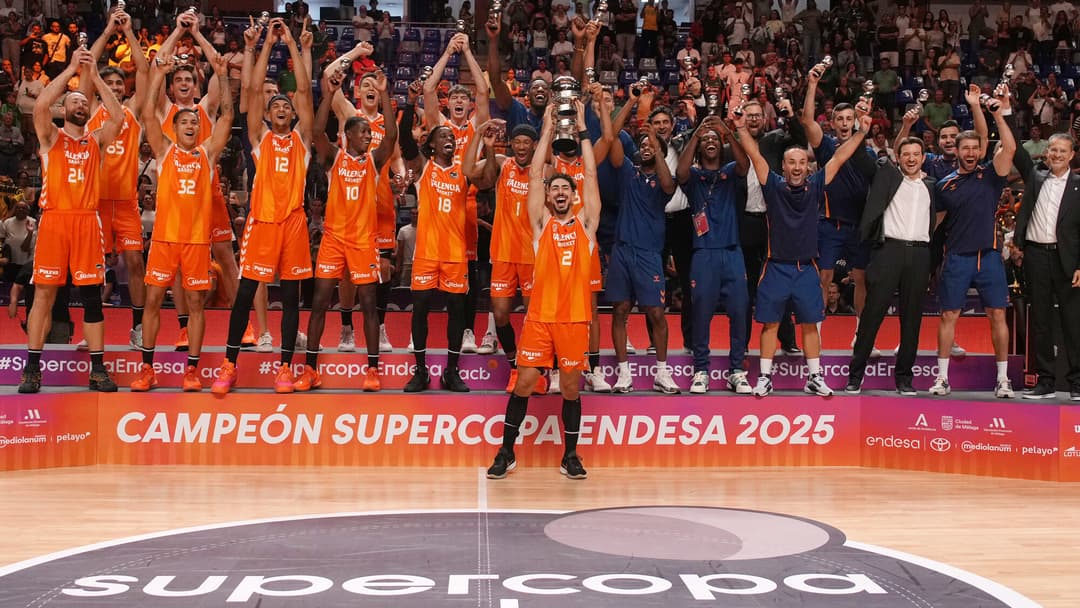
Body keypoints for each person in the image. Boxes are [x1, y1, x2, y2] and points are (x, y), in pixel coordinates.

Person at [486, 100, 598, 480]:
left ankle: (570, 456)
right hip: (539, 319)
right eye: (556, 190)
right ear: (550, 198)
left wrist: (582, 129)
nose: (561, 192)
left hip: (573, 320)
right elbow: (535, 175)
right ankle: (506, 452)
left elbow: (592, 176)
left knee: (569, 387)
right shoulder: (541, 226)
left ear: (574, 194)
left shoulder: (585, 227)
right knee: (526, 381)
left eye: (567, 187)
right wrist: (548, 127)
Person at [735, 102, 872, 398]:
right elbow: (755, 155)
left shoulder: (816, 184)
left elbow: (838, 157)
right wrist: (739, 127)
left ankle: (814, 376)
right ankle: (766, 378)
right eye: (791, 163)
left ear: (807, 166)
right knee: (770, 324)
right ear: (783, 167)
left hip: (807, 268)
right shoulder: (772, 185)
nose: (797, 167)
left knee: (810, 324)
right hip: (775, 267)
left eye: (801, 162)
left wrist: (861, 132)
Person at [212, 18, 313, 395]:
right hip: (262, 223)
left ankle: (285, 368)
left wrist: (291, 42)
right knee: (244, 294)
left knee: (290, 299)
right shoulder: (259, 138)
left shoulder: (301, 141)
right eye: (276, 105)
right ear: (269, 115)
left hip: (294, 224)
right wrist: (261, 46)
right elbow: (253, 89)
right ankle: (229, 364)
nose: (281, 106)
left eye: (286, 104)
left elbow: (303, 88)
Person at [18, 46, 124, 394]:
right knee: (44, 296)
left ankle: (97, 369)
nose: (80, 104)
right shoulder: (51, 137)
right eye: (74, 101)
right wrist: (71, 72)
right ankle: (32, 368)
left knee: (92, 298)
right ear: (65, 109)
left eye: (84, 102)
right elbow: (43, 104)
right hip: (54, 220)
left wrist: (92, 76)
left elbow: (118, 117)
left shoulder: (96, 141)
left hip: (86, 222)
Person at [130, 49, 233, 392]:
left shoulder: (207, 154)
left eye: (194, 122)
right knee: (154, 301)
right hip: (163, 240)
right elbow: (147, 111)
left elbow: (228, 116)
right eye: (184, 122)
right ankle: (147, 369)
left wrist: (223, 76)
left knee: (194, 305)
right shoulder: (164, 151)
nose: (190, 125)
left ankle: (191, 371)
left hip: (196, 242)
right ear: (174, 129)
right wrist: (159, 71)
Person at [292, 68, 397, 393]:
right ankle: (310, 369)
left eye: (369, 132)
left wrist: (385, 95)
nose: (369, 136)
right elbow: (317, 131)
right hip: (333, 240)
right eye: (364, 132)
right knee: (321, 301)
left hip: (364, 242)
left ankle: (373, 370)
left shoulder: (373, 162)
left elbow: (391, 137)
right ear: (349, 135)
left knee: (367, 302)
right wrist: (327, 95)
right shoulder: (334, 159)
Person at [931, 88, 1017, 399]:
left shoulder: (993, 175)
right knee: (948, 316)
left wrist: (997, 114)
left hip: (990, 257)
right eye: (963, 148)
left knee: (997, 315)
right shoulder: (944, 185)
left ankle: (1003, 379)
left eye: (974, 148)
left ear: (979, 150)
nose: (969, 153)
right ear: (956, 150)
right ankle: (942, 379)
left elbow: (1009, 148)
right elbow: (934, 224)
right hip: (956, 257)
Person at [398, 101, 486, 393]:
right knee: (420, 309)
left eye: (452, 137)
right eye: (443, 137)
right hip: (426, 252)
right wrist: (410, 109)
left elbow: (483, 172)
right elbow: (406, 146)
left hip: (454, 254)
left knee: (456, 311)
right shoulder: (425, 167)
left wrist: (480, 135)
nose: (449, 139)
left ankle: (451, 371)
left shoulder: (463, 169)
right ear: (432, 144)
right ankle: (420, 370)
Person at [847, 123, 939, 395]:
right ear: (898, 156)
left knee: (912, 320)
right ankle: (855, 375)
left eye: (916, 154)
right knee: (872, 315)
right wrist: (860, 129)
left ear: (924, 157)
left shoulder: (931, 186)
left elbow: (938, 216)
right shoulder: (887, 176)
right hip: (889, 252)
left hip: (920, 254)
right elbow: (859, 157)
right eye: (906, 154)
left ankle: (904, 378)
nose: (911, 158)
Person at [604, 86, 681, 394]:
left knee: (656, 314)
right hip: (622, 251)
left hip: (649, 254)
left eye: (652, 146)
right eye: (643, 145)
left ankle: (662, 372)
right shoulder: (628, 173)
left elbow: (667, 185)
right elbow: (611, 136)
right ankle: (624, 374)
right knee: (620, 310)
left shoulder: (663, 179)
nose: (646, 148)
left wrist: (656, 144)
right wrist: (633, 103)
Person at [465, 122, 548, 393]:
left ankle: (537, 370)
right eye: (518, 141)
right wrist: (485, 145)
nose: (522, 146)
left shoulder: (543, 171)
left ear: (534, 145)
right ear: (511, 144)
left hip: (533, 256)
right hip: (502, 254)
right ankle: (514, 366)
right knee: (500, 315)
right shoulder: (502, 163)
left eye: (527, 142)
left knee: (534, 318)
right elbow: (471, 173)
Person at [84, 8, 148, 351]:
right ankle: (92, 331)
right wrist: (108, 30)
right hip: (93, 203)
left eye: (118, 85)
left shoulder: (131, 113)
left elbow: (145, 72)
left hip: (125, 203)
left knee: (136, 262)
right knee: (93, 270)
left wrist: (130, 32)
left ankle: (138, 328)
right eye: (107, 84)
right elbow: (86, 66)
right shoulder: (92, 112)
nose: (114, 88)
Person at [803, 60, 878, 353]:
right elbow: (807, 121)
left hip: (860, 226)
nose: (846, 123)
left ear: (856, 121)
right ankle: (817, 337)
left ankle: (861, 337)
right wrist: (812, 86)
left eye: (850, 118)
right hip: (829, 223)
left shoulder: (868, 152)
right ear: (833, 123)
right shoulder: (826, 147)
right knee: (823, 278)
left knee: (861, 278)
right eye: (840, 119)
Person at [424, 33, 492, 356]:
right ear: (448, 105)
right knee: (431, 274)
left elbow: (483, 89)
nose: (460, 101)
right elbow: (427, 89)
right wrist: (447, 52)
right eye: (454, 98)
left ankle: (467, 331)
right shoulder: (440, 129)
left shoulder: (475, 125)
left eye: (463, 99)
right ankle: (423, 336)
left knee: (469, 272)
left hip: (467, 204)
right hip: (438, 205)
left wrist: (466, 53)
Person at [328, 40, 398, 353]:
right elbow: (329, 73)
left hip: (381, 205)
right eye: (364, 84)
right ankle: (346, 328)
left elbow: (395, 160)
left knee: (382, 269)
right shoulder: (349, 113)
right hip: (349, 207)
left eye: (374, 84)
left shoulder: (387, 121)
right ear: (358, 92)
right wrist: (356, 54)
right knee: (346, 274)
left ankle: (380, 328)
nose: (370, 87)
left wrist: (400, 180)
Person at [676, 115, 752, 395]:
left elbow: (745, 164)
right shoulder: (694, 177)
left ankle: (736, 371)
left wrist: (727, 132)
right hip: (704, 254)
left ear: (721, 146)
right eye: (705, 141)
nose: (710, 143)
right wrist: (698, 132)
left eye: (714, 140)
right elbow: (680, 173)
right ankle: (701, 370)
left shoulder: (731, 171)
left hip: (732, 252)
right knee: (701, 313)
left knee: (739, 311)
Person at [1008, 117, 1080, 400]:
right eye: (1053, 150)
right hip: (1036, 256)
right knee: (1040, 321)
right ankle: (1045, 382)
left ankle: (1077, 383)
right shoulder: (1036, 177)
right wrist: (1008, 113)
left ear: (1072, 155)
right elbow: (1017, 150)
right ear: (1046, 153)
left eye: (1063, 151)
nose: (1057, 155)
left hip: (1068, 262)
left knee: (1073, 322)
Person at [732, 98, 805, 356]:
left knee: (780, 282)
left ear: (764, 119)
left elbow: (801, 140)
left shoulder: (775, 140)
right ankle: (740, 346)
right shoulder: (734, 143)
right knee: (744, 288)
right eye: (748, 115)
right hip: (743, 223)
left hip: (773, 222)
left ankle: (787, 340)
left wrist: (791, 113)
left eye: (757, 115)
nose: (752, 119)